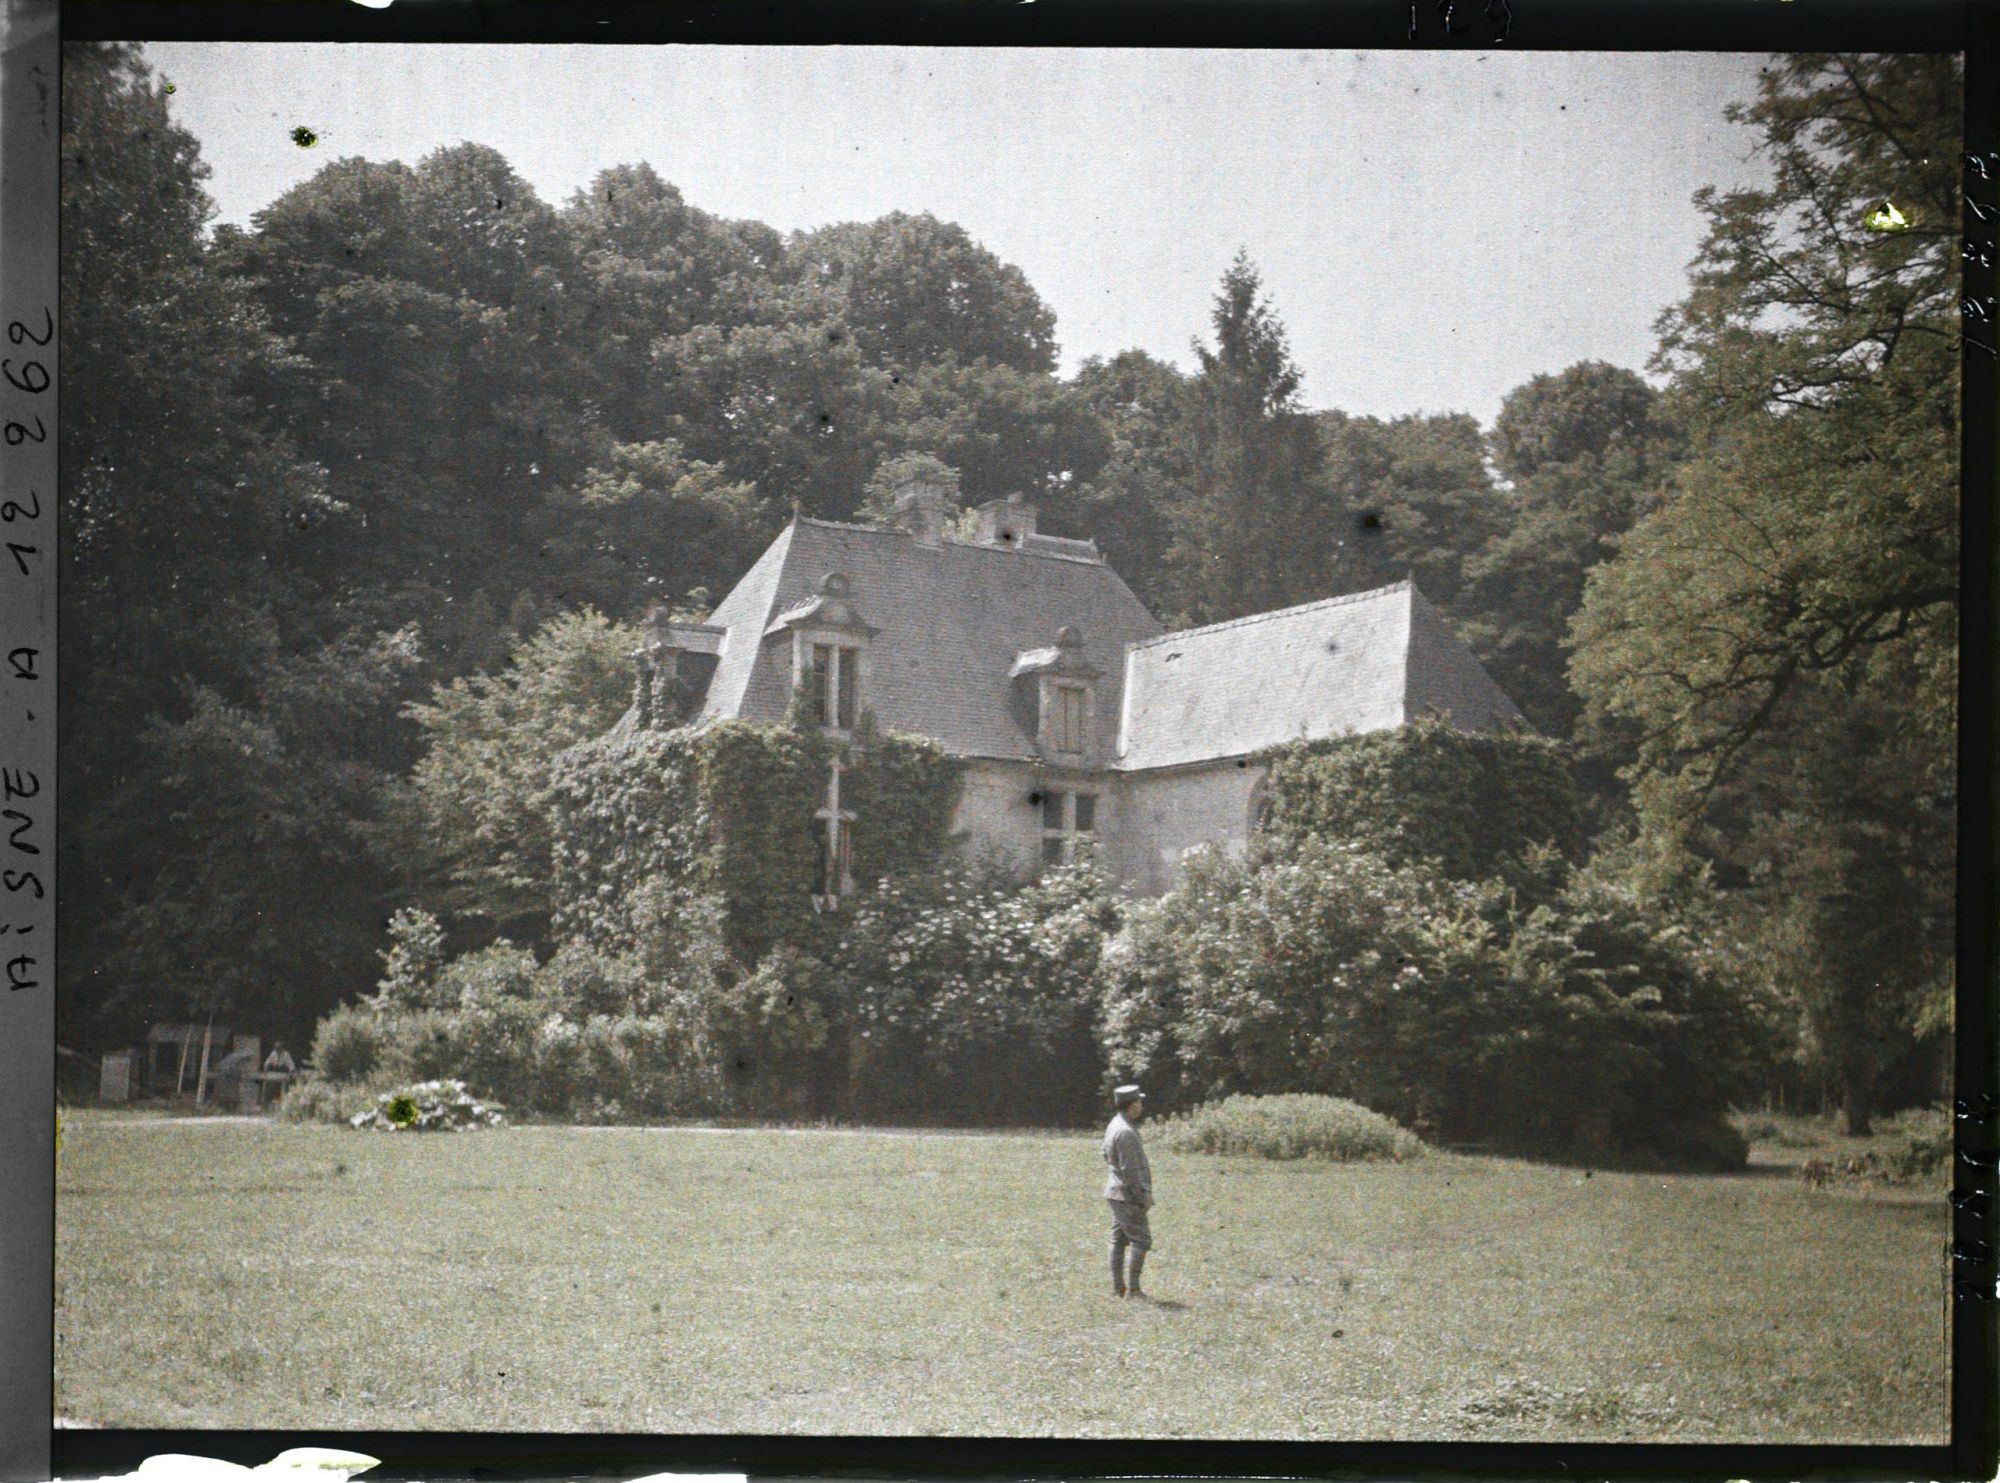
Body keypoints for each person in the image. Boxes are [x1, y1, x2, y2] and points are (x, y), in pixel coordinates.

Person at [1102, 1084, 1154, 1299]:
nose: (1141, 1105)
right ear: (1132, 1105)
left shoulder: (1114, 1125)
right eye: (1139, 1102)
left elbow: (1106, 1156)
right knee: (1141, 1240)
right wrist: (1144, 1196)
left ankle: (1118, 1289)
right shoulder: (1125, 1132)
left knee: (1118, 1241)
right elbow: (1130, 1170)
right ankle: (1133, 1290)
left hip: (1115, 1192)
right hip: (1127, 1196)